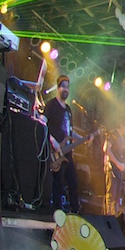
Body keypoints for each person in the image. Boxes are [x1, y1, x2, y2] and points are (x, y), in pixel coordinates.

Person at [44, 75, 81, 214]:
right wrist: (53, 141)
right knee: (58, 184)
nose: (66, 89)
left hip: (67, 153)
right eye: (63, 86)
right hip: (56, 153)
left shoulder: (68, 110)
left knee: (73, 182)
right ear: (58, 88)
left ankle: (75, 212)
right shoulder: (51, 105)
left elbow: (71, 131)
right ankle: (57, 212)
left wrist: (84, 138)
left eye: (68, 87)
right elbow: (42, 123)